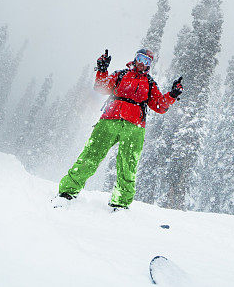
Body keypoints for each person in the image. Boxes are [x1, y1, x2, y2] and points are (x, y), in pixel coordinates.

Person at [55, 48, 183, 210]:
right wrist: (102, 70)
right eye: (140, 58)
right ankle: (68, 192)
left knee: (128, 165)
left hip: (134, 127)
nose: (142, 63)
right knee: (90, 156)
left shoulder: (150, 83)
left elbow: (159, 106)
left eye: (147, 61)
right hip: (109, 120)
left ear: (149, 65)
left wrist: (172, 94)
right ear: (135, 58)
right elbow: (101, 87)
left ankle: (121, 202)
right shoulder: (121, 75)